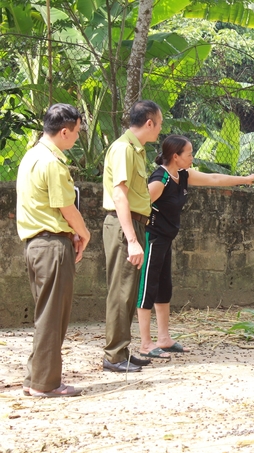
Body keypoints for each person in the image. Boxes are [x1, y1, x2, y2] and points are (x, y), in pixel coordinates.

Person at [137, 134, 254, 358]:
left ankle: (164, 338)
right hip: (153, 238)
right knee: (148, 288)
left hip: (167, 238)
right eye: (189, 154)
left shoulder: (182, 175)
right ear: (175, 156)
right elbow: (139, 205)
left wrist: (245, 179)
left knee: (164, 287)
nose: (192, 158)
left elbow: (213, 178)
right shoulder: (160, 180)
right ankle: (145, 343)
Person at [16, 104, 91, 397]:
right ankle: (45, 384)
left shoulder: (31, 156)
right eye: (75, 133)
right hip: (52, 245)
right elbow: (65, 206)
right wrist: (84, 233)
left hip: (35, 245)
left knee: (45, 313)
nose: (76, 138)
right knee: (53, 315)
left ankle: (35, 377)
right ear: (63, 132)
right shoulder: (52, 162)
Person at [101, 100, 162, 372]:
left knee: (128, 292)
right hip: (124, 226)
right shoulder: (124, 149)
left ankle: (121, 350)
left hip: (134, 224)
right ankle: (114, 355)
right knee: (121, 291)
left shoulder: (137, 151)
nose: (160, 130)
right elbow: (119, 195)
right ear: (149, 123)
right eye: (159, 124)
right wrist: (132, 240)